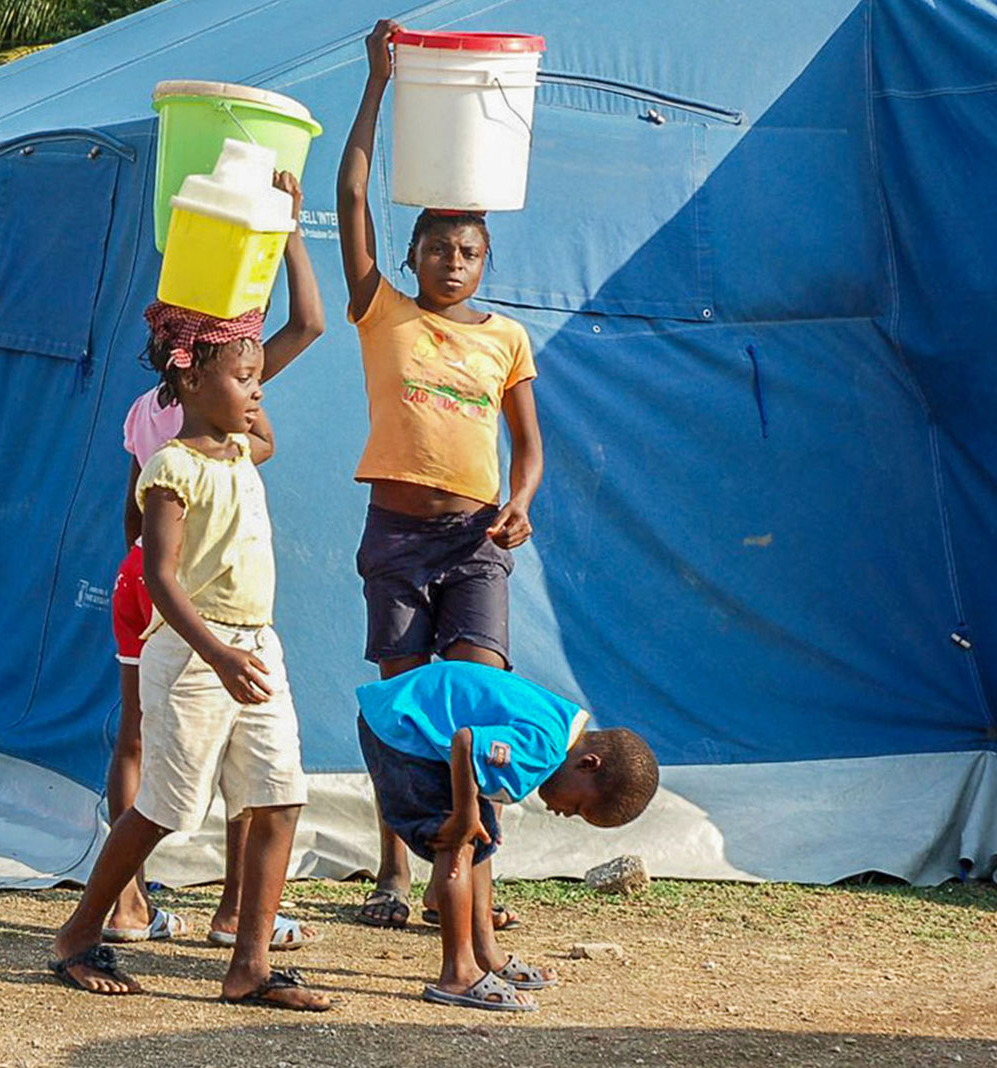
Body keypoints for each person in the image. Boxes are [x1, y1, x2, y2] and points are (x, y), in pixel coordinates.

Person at [48, 300, 331, 1012]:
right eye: (244, 378)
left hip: (256, 646)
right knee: (164, 808)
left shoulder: (240, 452)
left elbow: (295, 346)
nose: (258, 392)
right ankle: (79, 933)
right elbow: (160, 576)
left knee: (279, 798)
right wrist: (218, 654)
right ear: (191, 382)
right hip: (194, 656)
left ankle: (250, 965)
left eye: (258, 379)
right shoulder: (171, 468)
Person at [338, 19, 547, 931]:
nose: (451, 264)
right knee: (401, 706)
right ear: (413, 255)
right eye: (437, 250)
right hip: (396, 537)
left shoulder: (506, 338)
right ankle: (395, 870)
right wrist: (378, 83)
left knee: (476, 703)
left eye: (467, 253)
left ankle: (470, 873)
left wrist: (522, 503)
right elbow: (352, 195)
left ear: (485, 261)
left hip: (474, 538)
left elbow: (527, 448)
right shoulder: (382, 311)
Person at [102, 173, 324, 952]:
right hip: (195, 602)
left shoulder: (155, 409)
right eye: (249, 376)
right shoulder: (217, 416)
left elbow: (131, 518)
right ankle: (223, 911)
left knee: (140, 742)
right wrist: (289, 233)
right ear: (201, 368)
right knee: (217, 766)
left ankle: (133, 908)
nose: (256, 388)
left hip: (149, 582)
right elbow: (310, 325)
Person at [356, 661, 659, 1011]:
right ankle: (458, 973)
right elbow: (466, 742)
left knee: (481, 836)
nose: (564, 814)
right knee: (459, 839)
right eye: (578, 807)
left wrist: (472, 814)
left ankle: (486, 952)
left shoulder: (560, 728)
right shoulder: (543, 747)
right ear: (588, 764)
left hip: (410, 717)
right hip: (401, 727)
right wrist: (464, 814)